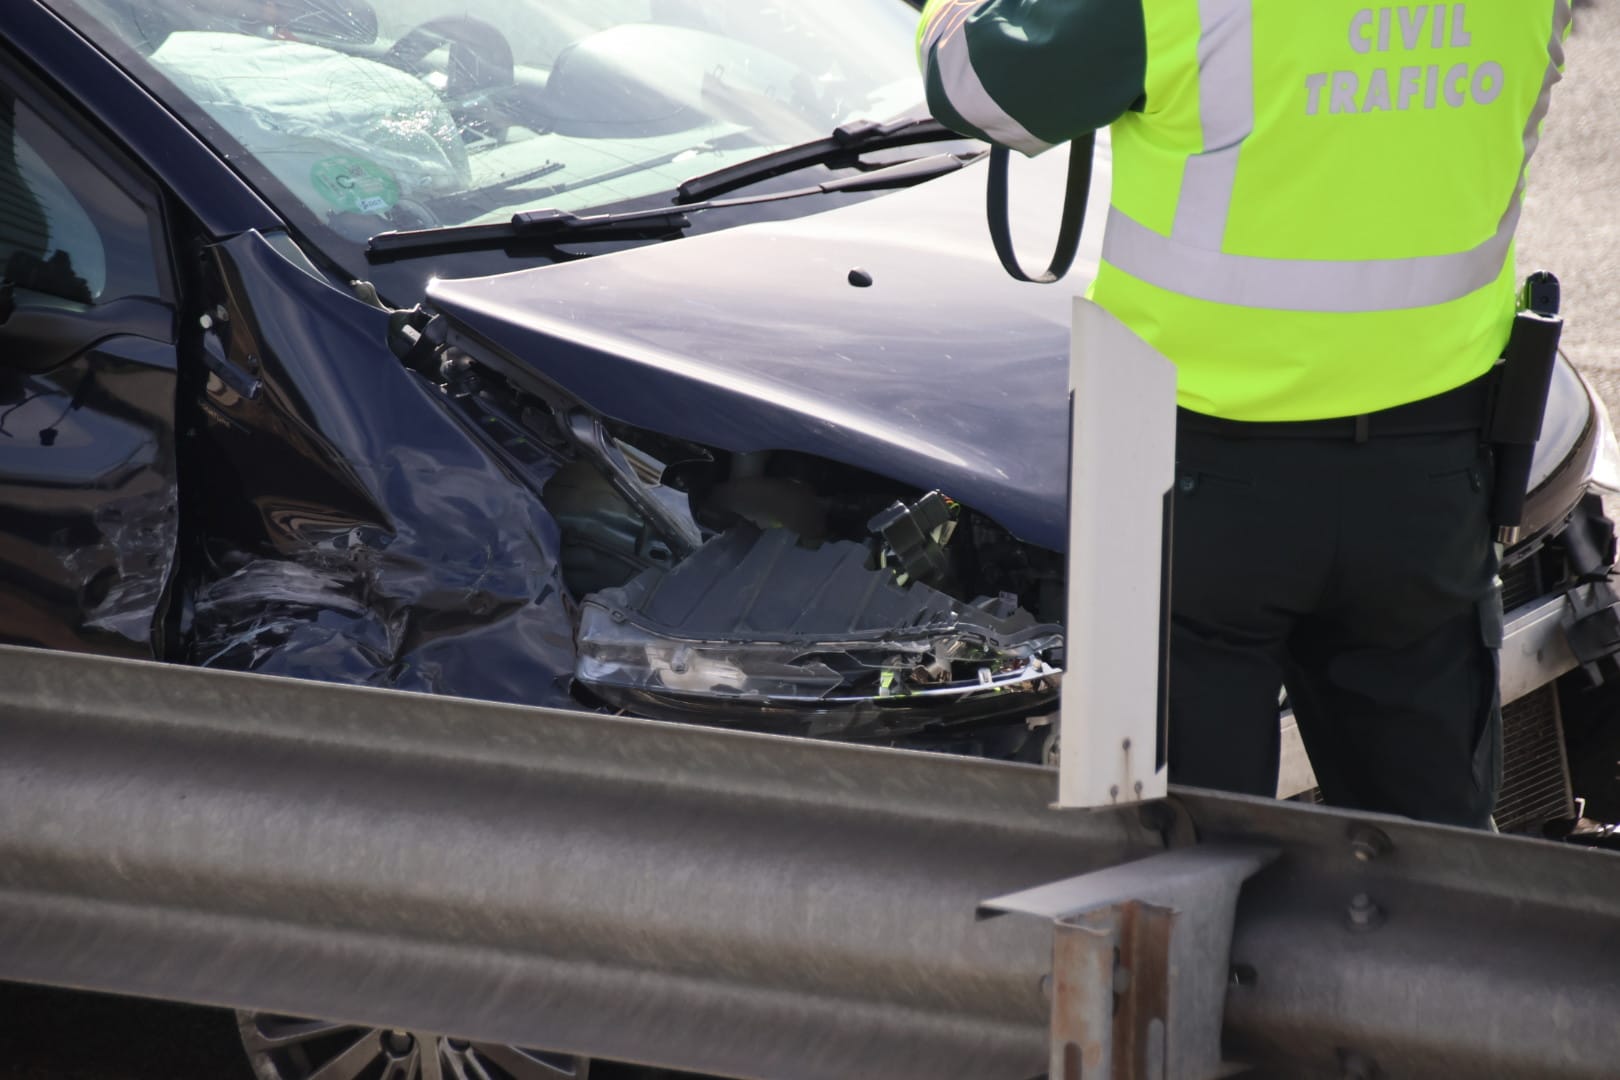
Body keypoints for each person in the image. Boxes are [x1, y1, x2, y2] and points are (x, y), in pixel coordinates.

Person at [918, 0, 1572, 827]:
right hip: (1433, 474)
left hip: (1186, 472)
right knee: (1431, 860)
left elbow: (973, 80)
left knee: (1169, 856)